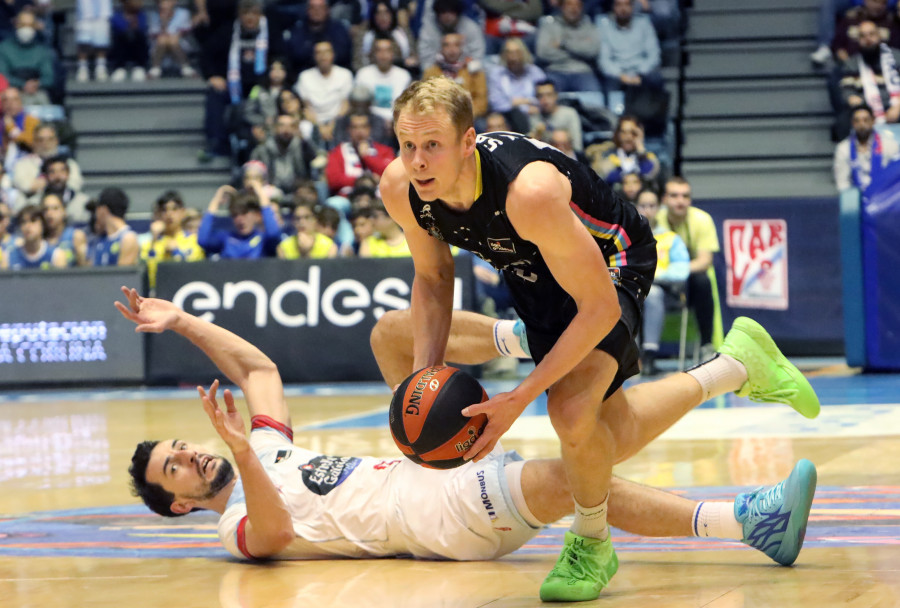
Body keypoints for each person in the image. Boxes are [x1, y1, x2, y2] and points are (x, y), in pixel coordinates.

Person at [379, 77, 818, 601]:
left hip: (613, 261)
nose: (419, 161)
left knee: (570, 412)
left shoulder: (529, 193)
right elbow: (432, 279)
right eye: (408, 146)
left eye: (433, 145)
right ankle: (736, 365)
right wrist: (428, 378)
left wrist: (518, 398)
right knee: (604, 434)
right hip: (534, 269)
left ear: (468, 142)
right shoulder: (400, 189)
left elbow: (599, 307)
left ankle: (592, 542)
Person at [119, 287, 818, 577]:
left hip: (425, 464)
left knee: (393, 334)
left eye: (181, 447)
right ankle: (746, 519)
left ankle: (540, 339)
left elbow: (259, 368)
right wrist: (241, 453)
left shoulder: (265, 446)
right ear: (178, 502)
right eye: (173, 469)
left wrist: (181, 322)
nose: (187, 455)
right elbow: (272, 536)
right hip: (431, 517)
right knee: (564, 474)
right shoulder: (233, 519)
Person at [656, 176, 720, 360]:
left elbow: (704, 261)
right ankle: (643, 353)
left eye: (685, 196)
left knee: (702, 280)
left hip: (687, 282)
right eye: (674, 195)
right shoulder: (654, 220)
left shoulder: (702, 220)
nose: (680, 201)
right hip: (657, 280)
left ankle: (706, 345)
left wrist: (673, 272)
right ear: (664, 199)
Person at [634, 188, 689, 375]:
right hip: (632, 289)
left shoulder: (670, 238)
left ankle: (649, 355)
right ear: (635, 207)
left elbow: (682, 269)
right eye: (643, 205)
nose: (647, 210)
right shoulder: (625, 237)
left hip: (664, 292)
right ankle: (628, 356)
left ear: (659, 208)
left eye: (652, 205)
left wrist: (655, 276)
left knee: (653, 294)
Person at [197, 184, 282, 259]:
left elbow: (274, 234)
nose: (240, 219)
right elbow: (203, 240)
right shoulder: (226, 238)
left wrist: (260, 193)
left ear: (256, 215)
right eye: (235, 215)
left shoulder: (263, 240)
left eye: (244, 213)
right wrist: (216, 200)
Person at [140, 190, 205, 288]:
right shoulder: (150, 244)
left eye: (174, 209)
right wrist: (154, 240)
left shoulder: (194, 241)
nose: (169, 214)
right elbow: (148, 277)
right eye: (164, 210)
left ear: (183, 212)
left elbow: (193, 272)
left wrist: (176, 252)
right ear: (158, 214)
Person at [325, 111, 395, 196]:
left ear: (369, 129)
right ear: (349, 130)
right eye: (355, 127)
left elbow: (391, 176)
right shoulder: (337, 152)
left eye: (363, 127)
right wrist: (365, 180)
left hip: (379, 198)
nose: (359, 131)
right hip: (348, 197)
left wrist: (367, 156)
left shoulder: (385, 151)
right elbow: (333, 180)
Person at [834, 103, 900, 191]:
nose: (861, 124)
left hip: (883, 196)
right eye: (857, 121)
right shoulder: (843, 148)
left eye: (866, 120)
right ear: (852, 123)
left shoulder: (890, 146)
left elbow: (894, 178)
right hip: (856, 198)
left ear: (873, 121)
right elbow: (842, 182)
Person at [0, 7, 56, 104]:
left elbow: (49, 77)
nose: (26, 28)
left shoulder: (41, 50)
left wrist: (37, 84)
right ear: (16, 24)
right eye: (23, 25)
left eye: (30, 25)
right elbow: (2, 75)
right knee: (11, 98)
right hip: (11, 90)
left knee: (42, 99)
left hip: (37, 91)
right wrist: (23, 85)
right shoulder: (4, 48)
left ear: (35, 27)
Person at [595, 115, 661, 187]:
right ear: (618, 134)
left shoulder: (648, 157)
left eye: (633, 133)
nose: (628, 137)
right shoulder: (608, 156)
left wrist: (641, 152)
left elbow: (649, 176)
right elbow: (604, 177)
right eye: (624, 132)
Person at [0, 203, 66, 270]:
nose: (28, 226)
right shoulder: (8, 257)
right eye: (23, 222)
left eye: (33, 220)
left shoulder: (56, 256)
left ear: (43, 224)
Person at [88, 187, 139, 266]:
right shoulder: (98, 240)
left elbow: (122, 276)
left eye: (96, 210)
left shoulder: (128, 239)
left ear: (103, 210)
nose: (95, 216)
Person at [42, 191, 88, 267]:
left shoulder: (76, 236)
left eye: (55, 208)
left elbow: (85, 270)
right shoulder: (39, 240)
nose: (49, 213)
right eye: (46, 209)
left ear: (64, 211)